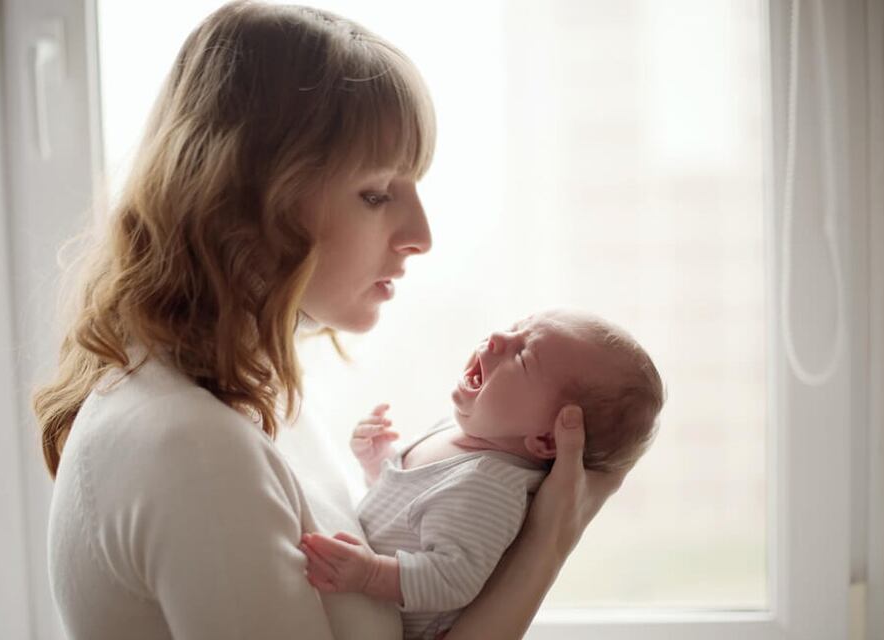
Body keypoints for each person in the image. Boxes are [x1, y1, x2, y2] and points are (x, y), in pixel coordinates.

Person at [34, 3, 629, 639]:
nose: (421, 235)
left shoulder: (254, 396)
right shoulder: (193, 449)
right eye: (376, 194)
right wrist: (545, 550)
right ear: (247, 202)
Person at [299, 310, 664, 639]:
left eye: (522, 356)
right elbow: (411, 514)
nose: (497, 338)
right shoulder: (457, 435)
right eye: (514, 328)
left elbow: (450, 578)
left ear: (544, 439)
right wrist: (379, 460)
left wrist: (371, 574)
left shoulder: (489, 485)